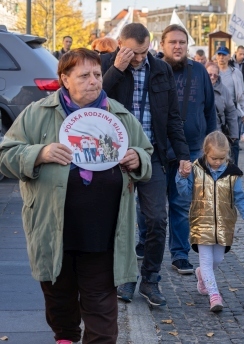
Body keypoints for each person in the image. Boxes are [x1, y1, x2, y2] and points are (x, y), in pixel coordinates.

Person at [0, 48, 153, 344]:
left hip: (103, 233)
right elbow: (6, 154)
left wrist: (137, 159)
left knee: (101, 311)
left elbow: (146, 154)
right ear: (64, 80)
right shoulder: (38, 113)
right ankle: (66, 338)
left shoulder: (119, 116)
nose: (94, 81)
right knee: (60, 301)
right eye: (84, 75)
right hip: (54, 229)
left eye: (97, 74)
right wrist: (39, 153)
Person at [100, 23, 191, 307]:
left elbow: (173, 116)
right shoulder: (106, 65)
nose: (138, 58)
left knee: (156, 219)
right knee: (119, 221)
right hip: (116, 156)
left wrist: (183, 153)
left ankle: (150, 279)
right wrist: (116, 68)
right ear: (119, 43)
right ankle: (125, 277)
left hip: (153, 156)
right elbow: (93, 102)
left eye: (143, 52)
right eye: (133, 52)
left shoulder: (161, 69)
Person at [139, 24, 216, 275]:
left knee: (182, 204)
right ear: (161, 45)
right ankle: (144, 244)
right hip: (156, 149)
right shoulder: (153, 71)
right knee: (150, 204)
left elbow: (209, 110)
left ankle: (180, 254)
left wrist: (211, 143)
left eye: (182, 42)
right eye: (172, 42)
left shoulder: (200, 71)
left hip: (192, 149)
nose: (178, 46)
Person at [176, 131, 244, 312]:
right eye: (213, 158)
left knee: (218, 258)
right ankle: (214, 295)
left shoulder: (233, 173)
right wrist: (182, 177)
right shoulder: (196, 169)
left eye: (221, 158)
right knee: (207, 260)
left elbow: (239, 197)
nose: (217, 162)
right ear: (205, 153)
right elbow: (185, 193)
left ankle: (201, 274)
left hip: (224, 225)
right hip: (201, 222)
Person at [216, 45, 244, 165]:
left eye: (224, 55)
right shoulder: (213, 72)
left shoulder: (236, 73)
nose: (221, 57)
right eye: (219, 55)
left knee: (234, 140)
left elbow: (242, 93)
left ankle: (234, 167)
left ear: (229, 56)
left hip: (234, 110)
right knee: (218, 140)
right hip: (217, 111)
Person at [206, 62, 240, 143]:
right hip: (199, 133)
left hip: (217, 133)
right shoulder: (197, 88)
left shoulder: (223, 90)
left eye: (215, 75)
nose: (212, 77)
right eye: (209, 74)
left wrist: (234, 134)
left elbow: (231, 112)